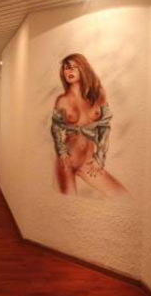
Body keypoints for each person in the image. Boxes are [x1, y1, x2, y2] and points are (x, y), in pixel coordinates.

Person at [51, 53, 128, 197]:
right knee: (68, 204)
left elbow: (104, 127)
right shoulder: (62, 100)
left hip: (88, 162)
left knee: (121, 194)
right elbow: (55, 128)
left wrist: (100, 156)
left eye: (74, 67)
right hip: (67, 162)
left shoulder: (99, 95)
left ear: (83, 68)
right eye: (66, 68)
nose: (69, 71)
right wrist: (62, 152)